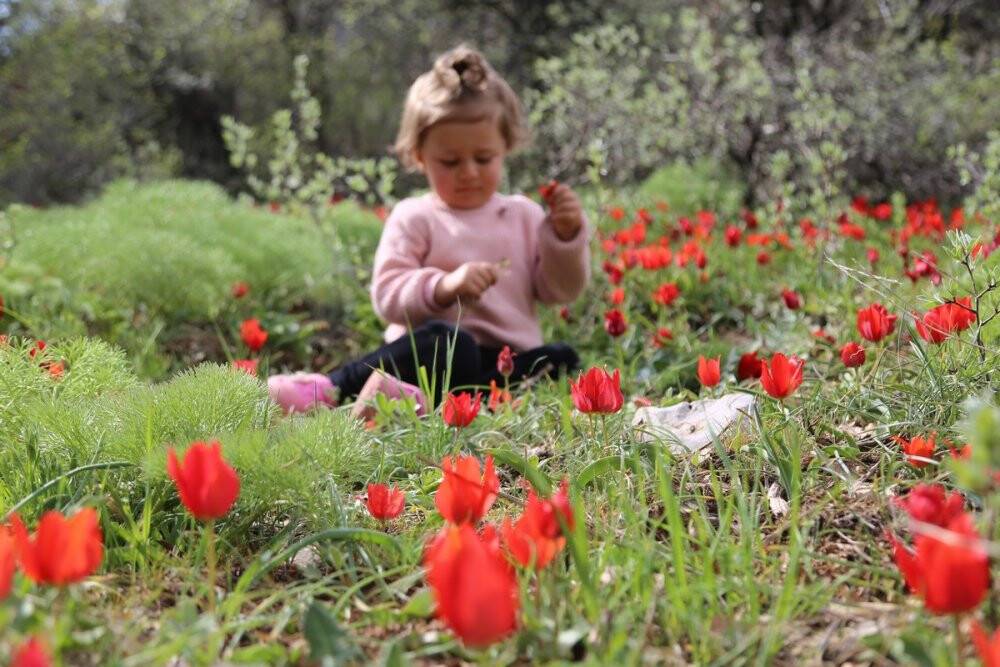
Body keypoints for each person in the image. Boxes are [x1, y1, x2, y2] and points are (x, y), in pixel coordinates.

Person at [268, 44, 590, 417]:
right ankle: (333, 388)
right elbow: (387, 297)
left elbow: (560, 292)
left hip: (502, 366)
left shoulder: (524, 215)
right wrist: (443, 287)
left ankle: (411, 404)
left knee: (562, 358)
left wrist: (564, 239)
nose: (468, 171)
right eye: (450, 161)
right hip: (432, 353)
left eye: (483, 159)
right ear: (420, 156)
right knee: (451, 342)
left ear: (506, 147)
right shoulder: (415, 216)